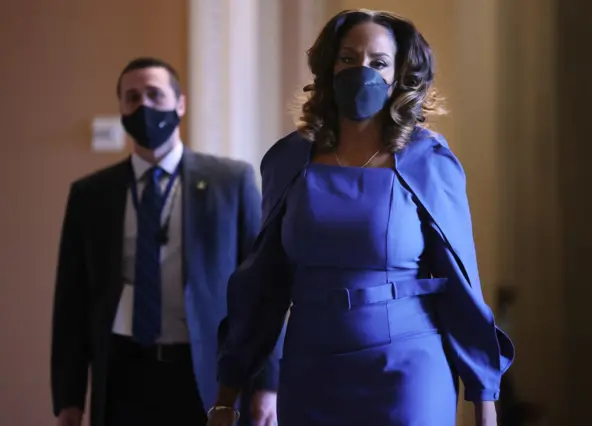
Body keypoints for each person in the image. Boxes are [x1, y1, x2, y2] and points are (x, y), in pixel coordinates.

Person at [209, 9, 514, 426]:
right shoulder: (290, 159)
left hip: (406, 369)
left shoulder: (427, 160)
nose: (362, 71)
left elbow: (461, 281)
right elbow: (263, 281)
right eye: (348, 59)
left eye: (378, 62)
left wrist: (485, 401)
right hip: (312, 365)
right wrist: (227, 394)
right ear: (329, 68)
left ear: (398, 75)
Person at [50, 57, 281, 426]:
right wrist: (68, 400)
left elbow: (261, 292)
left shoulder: (230, 182)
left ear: (180, 104)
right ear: (122, 110)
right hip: (123, 372)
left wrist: (269, 383)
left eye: (155, 95)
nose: (143, 105)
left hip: (205, 373)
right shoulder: (91, 194)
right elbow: (71, 301)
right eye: (132, 97)